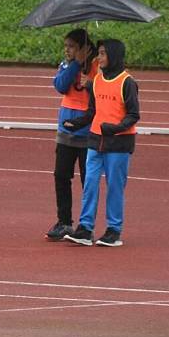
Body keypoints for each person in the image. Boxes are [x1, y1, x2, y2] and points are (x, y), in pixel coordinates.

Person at [63, 39, 140, 247]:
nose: (99, 58)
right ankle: (85, 228)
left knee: (114, 186)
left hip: (119, 143)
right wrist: (75, 123)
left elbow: (134, 115)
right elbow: (92, 113)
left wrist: (114, 128)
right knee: (89, 184)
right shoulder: (96, 81)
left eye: (103, 54)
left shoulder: (127, 82)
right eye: (99, 54)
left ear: (114, 55)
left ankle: (113, 230)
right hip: (95, 141)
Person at [46, 28, 98, 240]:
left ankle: (87, 225)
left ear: (84, 48)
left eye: (72, 47)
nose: (67, 50)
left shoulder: (96, 67)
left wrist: (90, 83)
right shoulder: (67, 65)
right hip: (66, 131)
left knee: (88, 180)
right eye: (65, 46)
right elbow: (60, 85)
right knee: (61, 176)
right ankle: (64, 221)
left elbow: (103, 93)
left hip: (88, 131)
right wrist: (76, 63)